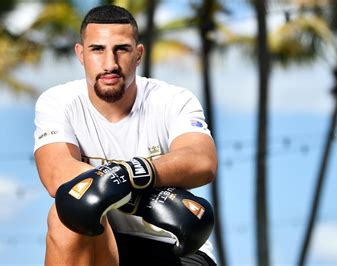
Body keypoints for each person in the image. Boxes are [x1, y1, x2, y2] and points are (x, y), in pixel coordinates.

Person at [33, 4, 218, 266]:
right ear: (81, 53)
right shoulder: (58, 101)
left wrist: (131, 174)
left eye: (122, 49)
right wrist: (139, 199)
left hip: (173, 246)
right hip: (104, 240)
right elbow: (56, 174)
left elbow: (201, 160)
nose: (110, 63)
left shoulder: (173, 99)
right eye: (97, 49)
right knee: (67, 214)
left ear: (139, 54)